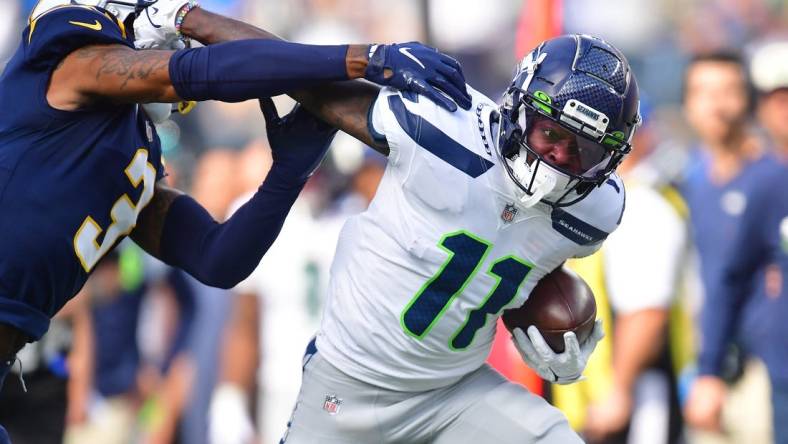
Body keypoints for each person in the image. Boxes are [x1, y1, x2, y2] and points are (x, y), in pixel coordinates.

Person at [139, 8, 641, 441]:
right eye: (552, 131)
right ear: (520, 107)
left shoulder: (595, 211)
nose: (559, 156)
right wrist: (192, 19)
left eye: (585, 149)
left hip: (457, 390)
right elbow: (294, 73)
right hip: (349, 384)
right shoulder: (442, 126)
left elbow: (506, 268)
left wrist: (553, 333)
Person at [0, 0, 470, 422]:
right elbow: (193, 72)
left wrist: (286, 176)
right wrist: (365, 57)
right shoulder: (68, 61)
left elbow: (217, 258)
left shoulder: (128, 153)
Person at [685, 41, 788, 444]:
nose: (717, 106)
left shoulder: (771, 179)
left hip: (760, 369)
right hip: (706, 359)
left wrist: (710, 372)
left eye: (728, 92)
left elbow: (733, 276)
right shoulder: (688, 176)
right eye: (704, 93)